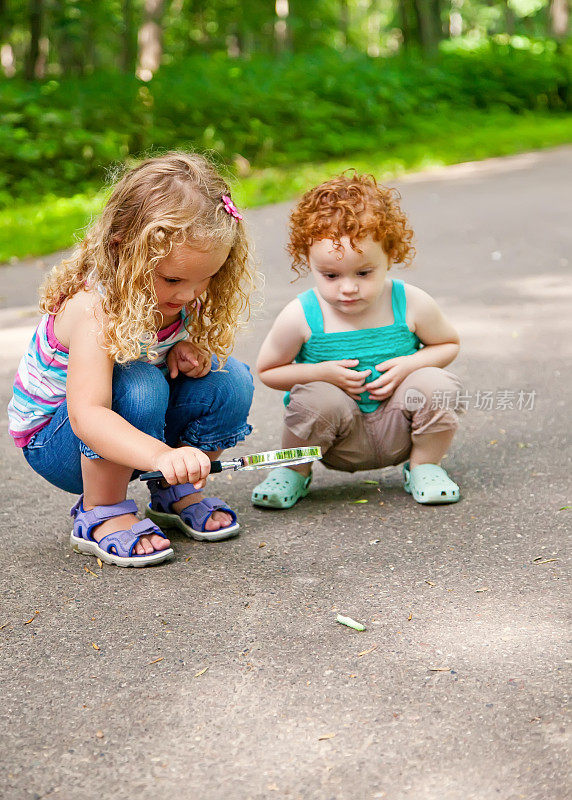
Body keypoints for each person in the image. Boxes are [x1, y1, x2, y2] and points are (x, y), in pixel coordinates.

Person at [8, 152, 256, 566]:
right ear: (127, 252)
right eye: (174, 280)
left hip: (130, 431)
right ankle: (101, 511)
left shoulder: (178, 290)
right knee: (142, 383)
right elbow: (87, 414)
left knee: (230, 380)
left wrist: (183, 348)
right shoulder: (93, 308)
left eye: (206, 278)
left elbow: (157, 341)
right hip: (60, 442)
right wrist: (160, 454)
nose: (188, 295)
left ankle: (176, 488)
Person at [251, 172, 464, 509]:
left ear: (390, 256)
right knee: (316, 397)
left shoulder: (410, 302)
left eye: (363, 273)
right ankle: (293, 470)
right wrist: (323, 374)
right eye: (331, 275)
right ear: (308, 260)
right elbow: (269, 370)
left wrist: (411, 364)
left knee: (437, 384)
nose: (347, 288)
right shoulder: (302, 314)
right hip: (337, 436)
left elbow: (448, 344)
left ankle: (425, 465)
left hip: (398, 424)